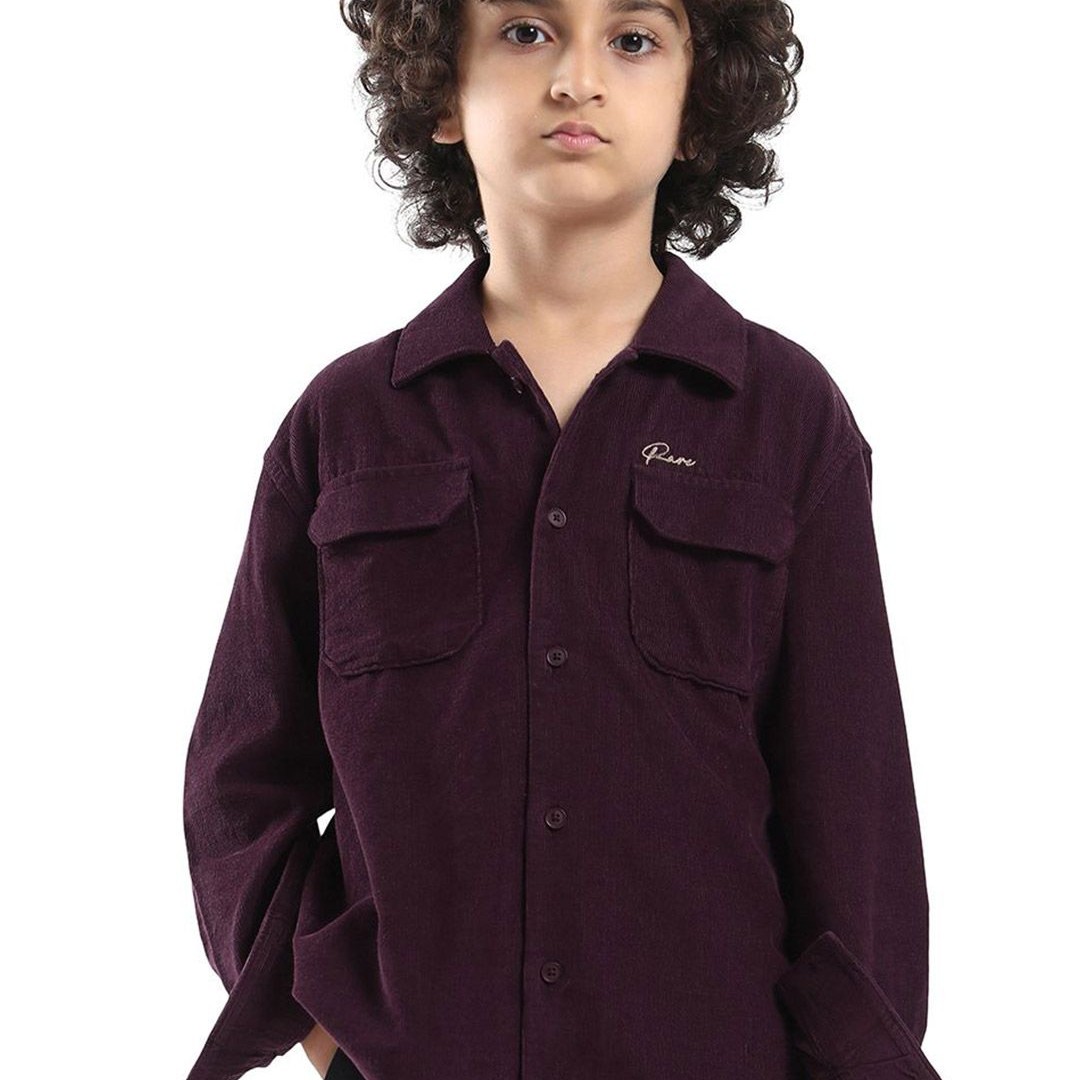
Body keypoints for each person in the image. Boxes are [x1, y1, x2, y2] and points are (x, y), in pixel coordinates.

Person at [182, 1, 945, 1078]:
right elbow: (240, 777)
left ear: (697, 104)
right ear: (442, 92)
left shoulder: (787, 420)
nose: (576, 78)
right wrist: (326, 1023)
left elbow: (855, 813)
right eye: (526, 31)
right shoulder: (342, 426)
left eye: (633, 40)